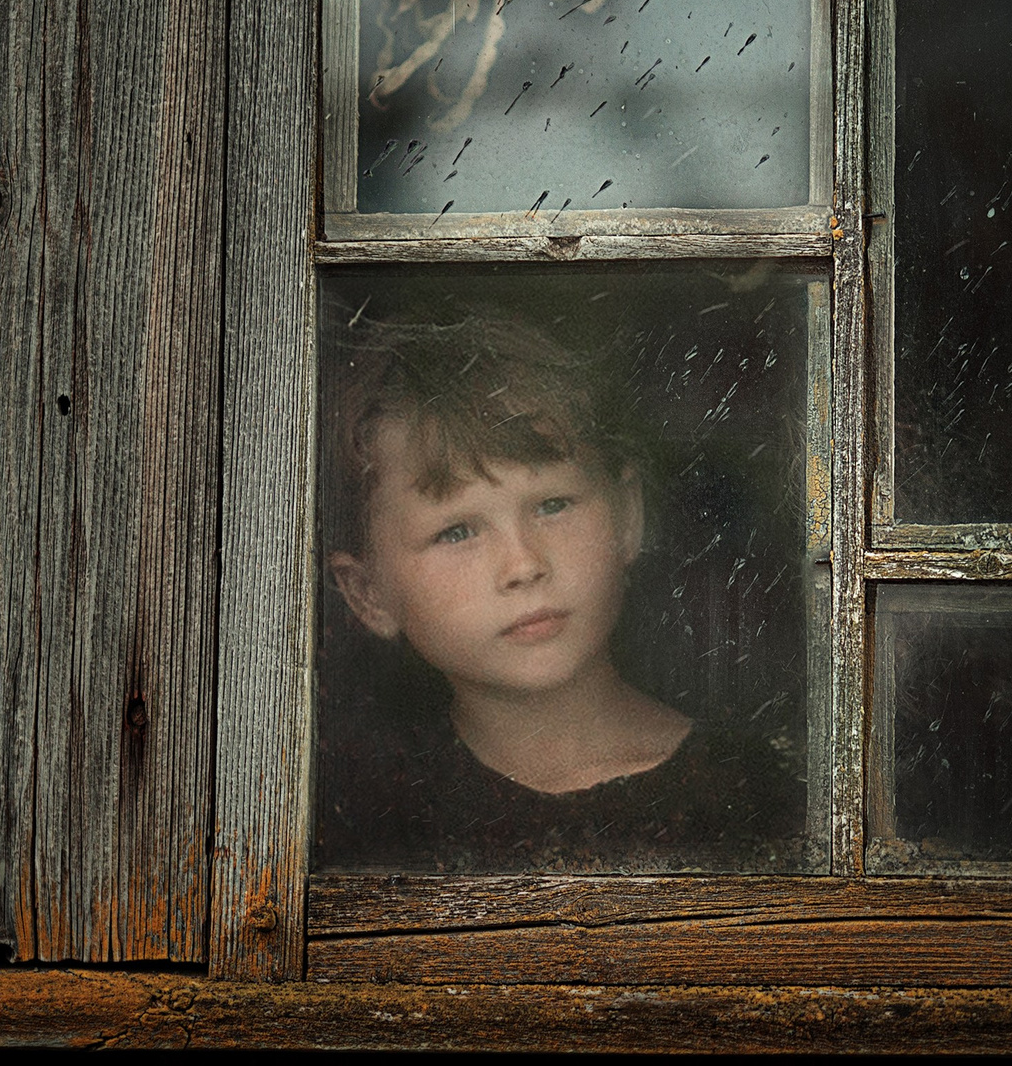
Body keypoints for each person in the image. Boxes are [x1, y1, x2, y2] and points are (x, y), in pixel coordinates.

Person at [316, 307, 805, 872]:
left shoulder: (763, 795)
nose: (524, 565)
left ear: (627, 517)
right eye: (457, 532)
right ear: (369, 594)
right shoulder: (359, 824)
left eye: (552, 505)